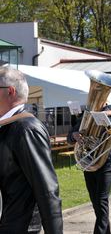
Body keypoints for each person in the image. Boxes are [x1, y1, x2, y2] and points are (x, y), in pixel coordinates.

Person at [0, 67, 63, 233]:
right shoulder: (7, 126)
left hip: (18, 227)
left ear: (10, 91)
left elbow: (47, 190)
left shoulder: (26, 128)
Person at [67, 106, 111, 234]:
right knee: (96, 202)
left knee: (102, 201)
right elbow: (69, 137)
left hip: (107, 162)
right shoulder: (86, 116)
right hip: (89, 162)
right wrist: (73, 136)